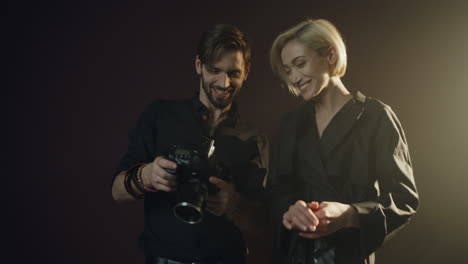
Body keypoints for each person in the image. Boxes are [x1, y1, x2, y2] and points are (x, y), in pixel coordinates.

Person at [111, 24, 269, 264]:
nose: (224, 82)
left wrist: (234, 205)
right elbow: (117, 192)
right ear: (198, 65)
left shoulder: (255, 138)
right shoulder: (160, 115)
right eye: (214, 70)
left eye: (233, 73)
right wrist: (148, 175)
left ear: (247, 71)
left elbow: (263, 225)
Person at [267, 19, 419, 264]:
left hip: (349, 256)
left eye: (300, 64)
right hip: (297, 256)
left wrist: (350, 214)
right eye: (288, 70)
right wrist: (289, 210)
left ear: (330, 54)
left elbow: (404, 200)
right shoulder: (291, 124)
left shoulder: (376, 117)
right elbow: (275, 193)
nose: (294, 77)